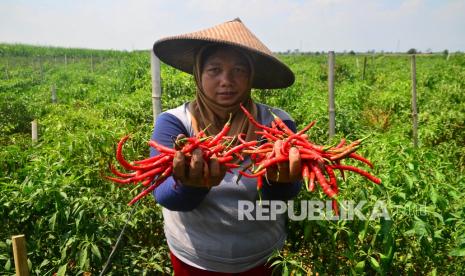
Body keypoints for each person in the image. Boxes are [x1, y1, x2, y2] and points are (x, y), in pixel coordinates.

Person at [150, 18, 302, 275]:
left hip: (262, 257)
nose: (226, 80)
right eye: (214, 70)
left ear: (251, 76)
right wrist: (190, 185)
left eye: (239, 70)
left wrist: (280, 181)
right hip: (195, 258)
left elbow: (283, 196)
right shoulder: (175, 123)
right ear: (199, 73)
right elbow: (163, 193)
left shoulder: (277, 123)